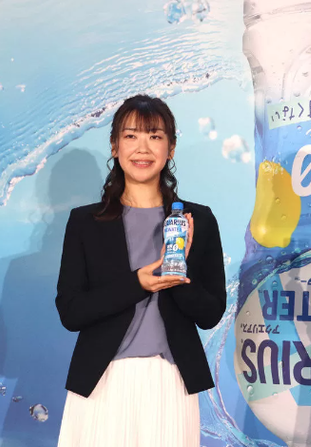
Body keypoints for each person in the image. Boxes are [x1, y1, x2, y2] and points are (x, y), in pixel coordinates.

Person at [55, 94, 226, 447]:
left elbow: (211, 314)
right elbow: (71, 312)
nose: (142, 148)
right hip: (102, 381)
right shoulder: (86, 222)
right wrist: (138, 283)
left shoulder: (197, 220)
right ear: (115, 146)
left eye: (155, 136)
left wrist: (175, 274)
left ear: (171, 148)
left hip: (171, 381)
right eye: (131, 135)